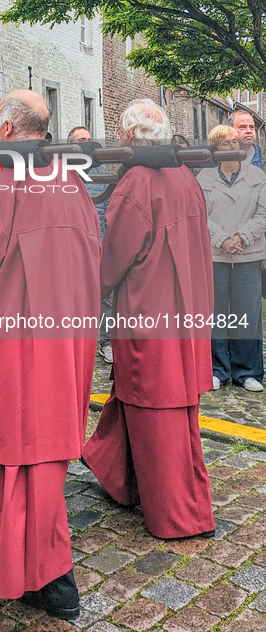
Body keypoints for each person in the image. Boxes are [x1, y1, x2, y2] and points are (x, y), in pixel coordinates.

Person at [0, 90, 101, 619]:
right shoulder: (70, 177)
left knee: (26, 441)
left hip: (24, 328)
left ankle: (49, 571)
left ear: (10, 129)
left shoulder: (2, 176)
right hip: (70, 327)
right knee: (31, 437)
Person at [82, 98, 215, 540]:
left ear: (130, 135)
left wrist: (89, 286)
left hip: (148, 315)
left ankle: (179, 515)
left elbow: (114, 258)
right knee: (153, 402)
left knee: (155, 406)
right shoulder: (186, 178)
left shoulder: (137, 182)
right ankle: (115, 475)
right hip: (187, 313)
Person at [197, 125, 266, 392]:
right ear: (215, 149)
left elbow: (262, 214)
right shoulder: (203, 178)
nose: (233, 147)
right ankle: (217, 369)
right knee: (216, 314)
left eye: (235, 142)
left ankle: (247, 371)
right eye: (226, 143)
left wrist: (241, 237)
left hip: (248, 254)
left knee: (247, 312)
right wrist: (222, 239)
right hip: (216, 254)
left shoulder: (257, 176)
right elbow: (202, 215)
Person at [67, 125, 113, 364]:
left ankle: (106, 342)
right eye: (81, 140)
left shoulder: (104, 172)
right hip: (72, 248)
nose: (86, 143)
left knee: (106, 297)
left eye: (89, 139)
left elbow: (108, 211)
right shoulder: (64, 172)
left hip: (99, 243)